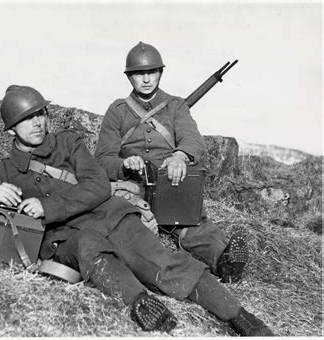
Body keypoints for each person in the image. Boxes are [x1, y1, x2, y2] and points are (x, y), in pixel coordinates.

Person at [0, 85, 274, 335]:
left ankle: (241, 317)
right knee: (91, 250)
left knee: (165, 262)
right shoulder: (4, 172)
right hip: (68, 239)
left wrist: (47, 206)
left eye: (41, 113)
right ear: (12, 129)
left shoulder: (68, 144)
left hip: (111, 216)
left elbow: (97, 185)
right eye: (28, 119)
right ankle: (140, 302)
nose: (38, 122)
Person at [95, 41, 247, 284]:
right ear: (129, 77)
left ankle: (225, 260)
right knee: (130, 227)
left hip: (170, 183)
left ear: (160, 73)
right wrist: (123, 166)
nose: (146, 79)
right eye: (138, 74)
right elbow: (102, 159)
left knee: (192, 225)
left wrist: (179, 156)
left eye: (151, 72)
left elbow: (192, 139)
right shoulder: (117, 110)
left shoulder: (176, 106)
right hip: (133, 188)